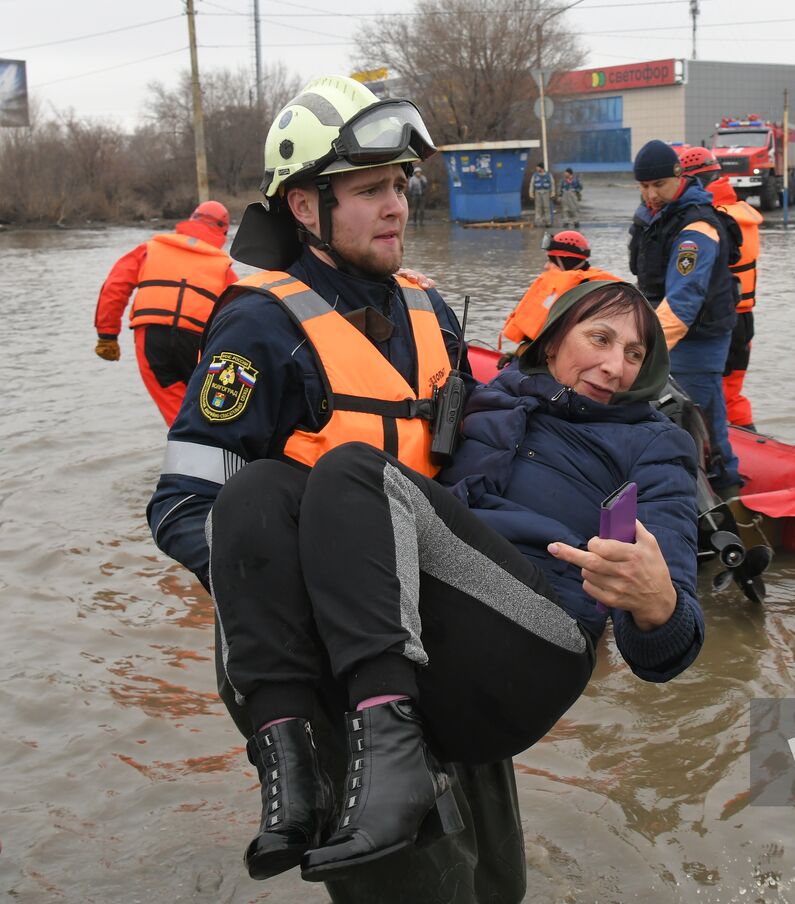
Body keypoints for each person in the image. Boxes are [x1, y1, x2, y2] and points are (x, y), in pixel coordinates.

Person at [146, 75, 526, 901]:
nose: (396, 206)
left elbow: (468, 476)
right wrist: (302, 601)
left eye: (399, 185)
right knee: (413, 885)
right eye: (367, 191)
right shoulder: (258, 327)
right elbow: (183, 505)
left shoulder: (433, 312)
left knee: (498, 879)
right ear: (306, 209)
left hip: (436, 642)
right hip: (329, 661)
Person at [207, 278, 702, 882]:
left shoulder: (656, 444)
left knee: (353, 472)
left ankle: (397, 764)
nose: (615, 365)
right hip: (441, 640)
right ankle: (291, 770)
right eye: (600, 338)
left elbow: (669, 648)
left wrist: (658, 606)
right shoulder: (487, 401)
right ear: (550, 344)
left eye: (634, 354)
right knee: (253, 491)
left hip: (539, 649)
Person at [627, 139, 744, 493]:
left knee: (691, 420)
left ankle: (711, 497)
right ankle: (725, 484)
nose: (650, 195)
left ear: (679, 178)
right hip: (665, 329)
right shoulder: (653, 218)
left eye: (658, 185)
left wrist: (641, 347)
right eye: (644, 187)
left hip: (699, 338)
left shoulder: (696, 228)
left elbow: (684, 299)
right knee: (709, 415)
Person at [93, 201, 238, 426]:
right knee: (207, 414)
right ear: (224, 231)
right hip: (196, 345)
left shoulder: (151, 248)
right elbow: (239, 315)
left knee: (177, 415)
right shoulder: (223, 268)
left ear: (191, 220)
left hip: (152, 337)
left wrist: (107, 336)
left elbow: (115, 286)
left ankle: (186, 449)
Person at [679, 146, 762, 430]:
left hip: (718, 322)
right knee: (732, 393)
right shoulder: (742, 213)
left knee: (710, 394)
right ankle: (748, 440)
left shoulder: (708, 219)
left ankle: (722, 451)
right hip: (745, 319)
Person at [498, 230, 620, 351]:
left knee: (510, 371)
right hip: (547, 354)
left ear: (566, 261)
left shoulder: (587, 292)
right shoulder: (584, 284)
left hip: (562, 359)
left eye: (552, 261)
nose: (546, 266)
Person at [528, 162, 553, 227]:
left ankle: (548, 222)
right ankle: (537, 222)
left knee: (547, 208)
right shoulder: (535, 175)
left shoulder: (548, 175)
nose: (536, 168)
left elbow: (552, 184)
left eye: (538, 167)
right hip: (537, 192)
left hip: (546, 192)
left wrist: (552, 193)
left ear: (541, 168)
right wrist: (531, 194)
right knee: (538, 208)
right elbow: (532, 184)